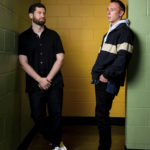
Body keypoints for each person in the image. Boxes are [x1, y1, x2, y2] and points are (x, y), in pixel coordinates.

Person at [18, 3, 67, 150]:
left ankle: (58, 144)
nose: (43, 16)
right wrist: (40, 80)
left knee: (56, 114)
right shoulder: (24, 37)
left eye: (44, 13)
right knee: (37, 116)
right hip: (35, 85)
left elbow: (60, 58)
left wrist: (48, 79)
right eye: (39, 13)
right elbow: (23, 62)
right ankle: (54, 139)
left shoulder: (53, 35)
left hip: (55, 83)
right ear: (31, 15)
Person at [91, 0, 134, 150]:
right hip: (100, 79)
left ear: (121, 13)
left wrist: (105, 76)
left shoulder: (125, 32)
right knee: (101, 114)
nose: (108, 12)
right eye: (107, 9)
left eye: (113, 10)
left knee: (101, 115)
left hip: (108, 80)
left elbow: (122, 60)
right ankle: (104, 146)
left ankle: (104, 148)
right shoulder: (108, 33)